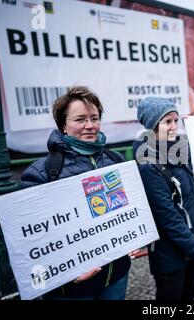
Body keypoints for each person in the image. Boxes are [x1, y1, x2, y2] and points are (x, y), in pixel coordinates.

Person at [21, 86, 130, 299]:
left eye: (94, 118)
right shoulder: (41, 172)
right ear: (63, 125)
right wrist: (67, 272)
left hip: (115, 275)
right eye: (80, 119)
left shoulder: (116, 160)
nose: (90, 126)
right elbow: (31, 240)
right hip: (71, 288)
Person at [133, 97, 194, 300]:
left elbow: (192, 199)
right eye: (167, 122)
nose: (174, 127)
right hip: (170, 256)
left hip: (190, 248)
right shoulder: (148, 165)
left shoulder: (180, 153)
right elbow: (168, 217)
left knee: (188, 296)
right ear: (152, 126)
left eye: (176, 120)